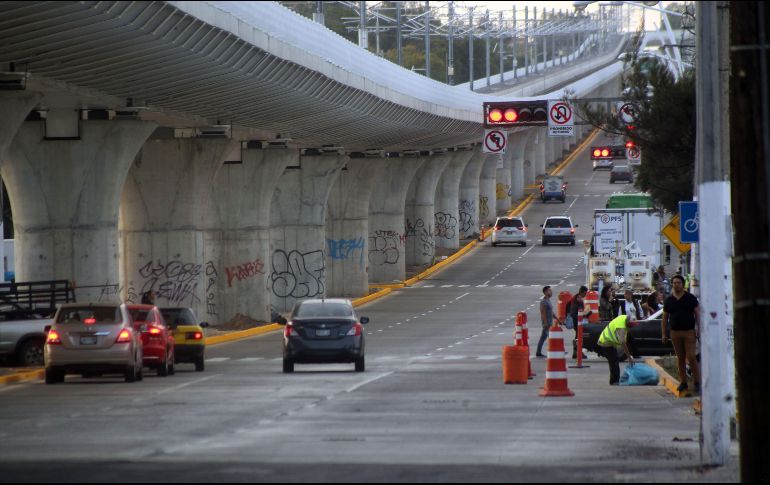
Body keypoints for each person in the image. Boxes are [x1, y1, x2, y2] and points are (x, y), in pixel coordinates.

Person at [662, 274, 701, 393]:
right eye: (674, 283)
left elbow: (697, 314)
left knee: (691, 357)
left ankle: (697, 382)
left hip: (689, 332)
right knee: (680, 358)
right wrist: (664, 334)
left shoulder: (690, 298)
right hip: (675, 332)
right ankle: (683, 382)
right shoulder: (669, 300)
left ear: (683, 284)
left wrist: (699, 329)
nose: (676, 285)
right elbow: (664, 318)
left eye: (678, 283)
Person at [596, 313, 636, 385]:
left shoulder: (624, 318)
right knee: (614, 362)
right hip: (606, 342)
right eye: (630, 326)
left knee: (614, 361)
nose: (630, 328)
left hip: (609, 342)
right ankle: (614, 381)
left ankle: (614, 380)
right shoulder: (621, 327)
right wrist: (629, 357)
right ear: (627, 322)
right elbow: (623, 344)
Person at [536, 286, 559, 357]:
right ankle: (558, 350)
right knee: (552, 338)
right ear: (545, 292)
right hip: (547, 324)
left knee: (542, 338)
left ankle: (538, 352)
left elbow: (551, 312)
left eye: (551, 290)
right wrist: (545, 323)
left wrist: (557, 319)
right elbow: (543, 313)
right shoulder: (543, 302)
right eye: (549, 291)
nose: (551, 292)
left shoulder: (548, 300)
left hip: (549, 322)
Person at [568, 286, 589, 359]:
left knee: (578, 337)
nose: (585, 295)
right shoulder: (576, 299)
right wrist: (582, 315)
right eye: (585, 293)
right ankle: (578, 353)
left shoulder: (578, 298)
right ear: (581, 292)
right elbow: (573, 313)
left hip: (578, 321)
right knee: (579, 338)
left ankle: (576, 353)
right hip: (577, 322)